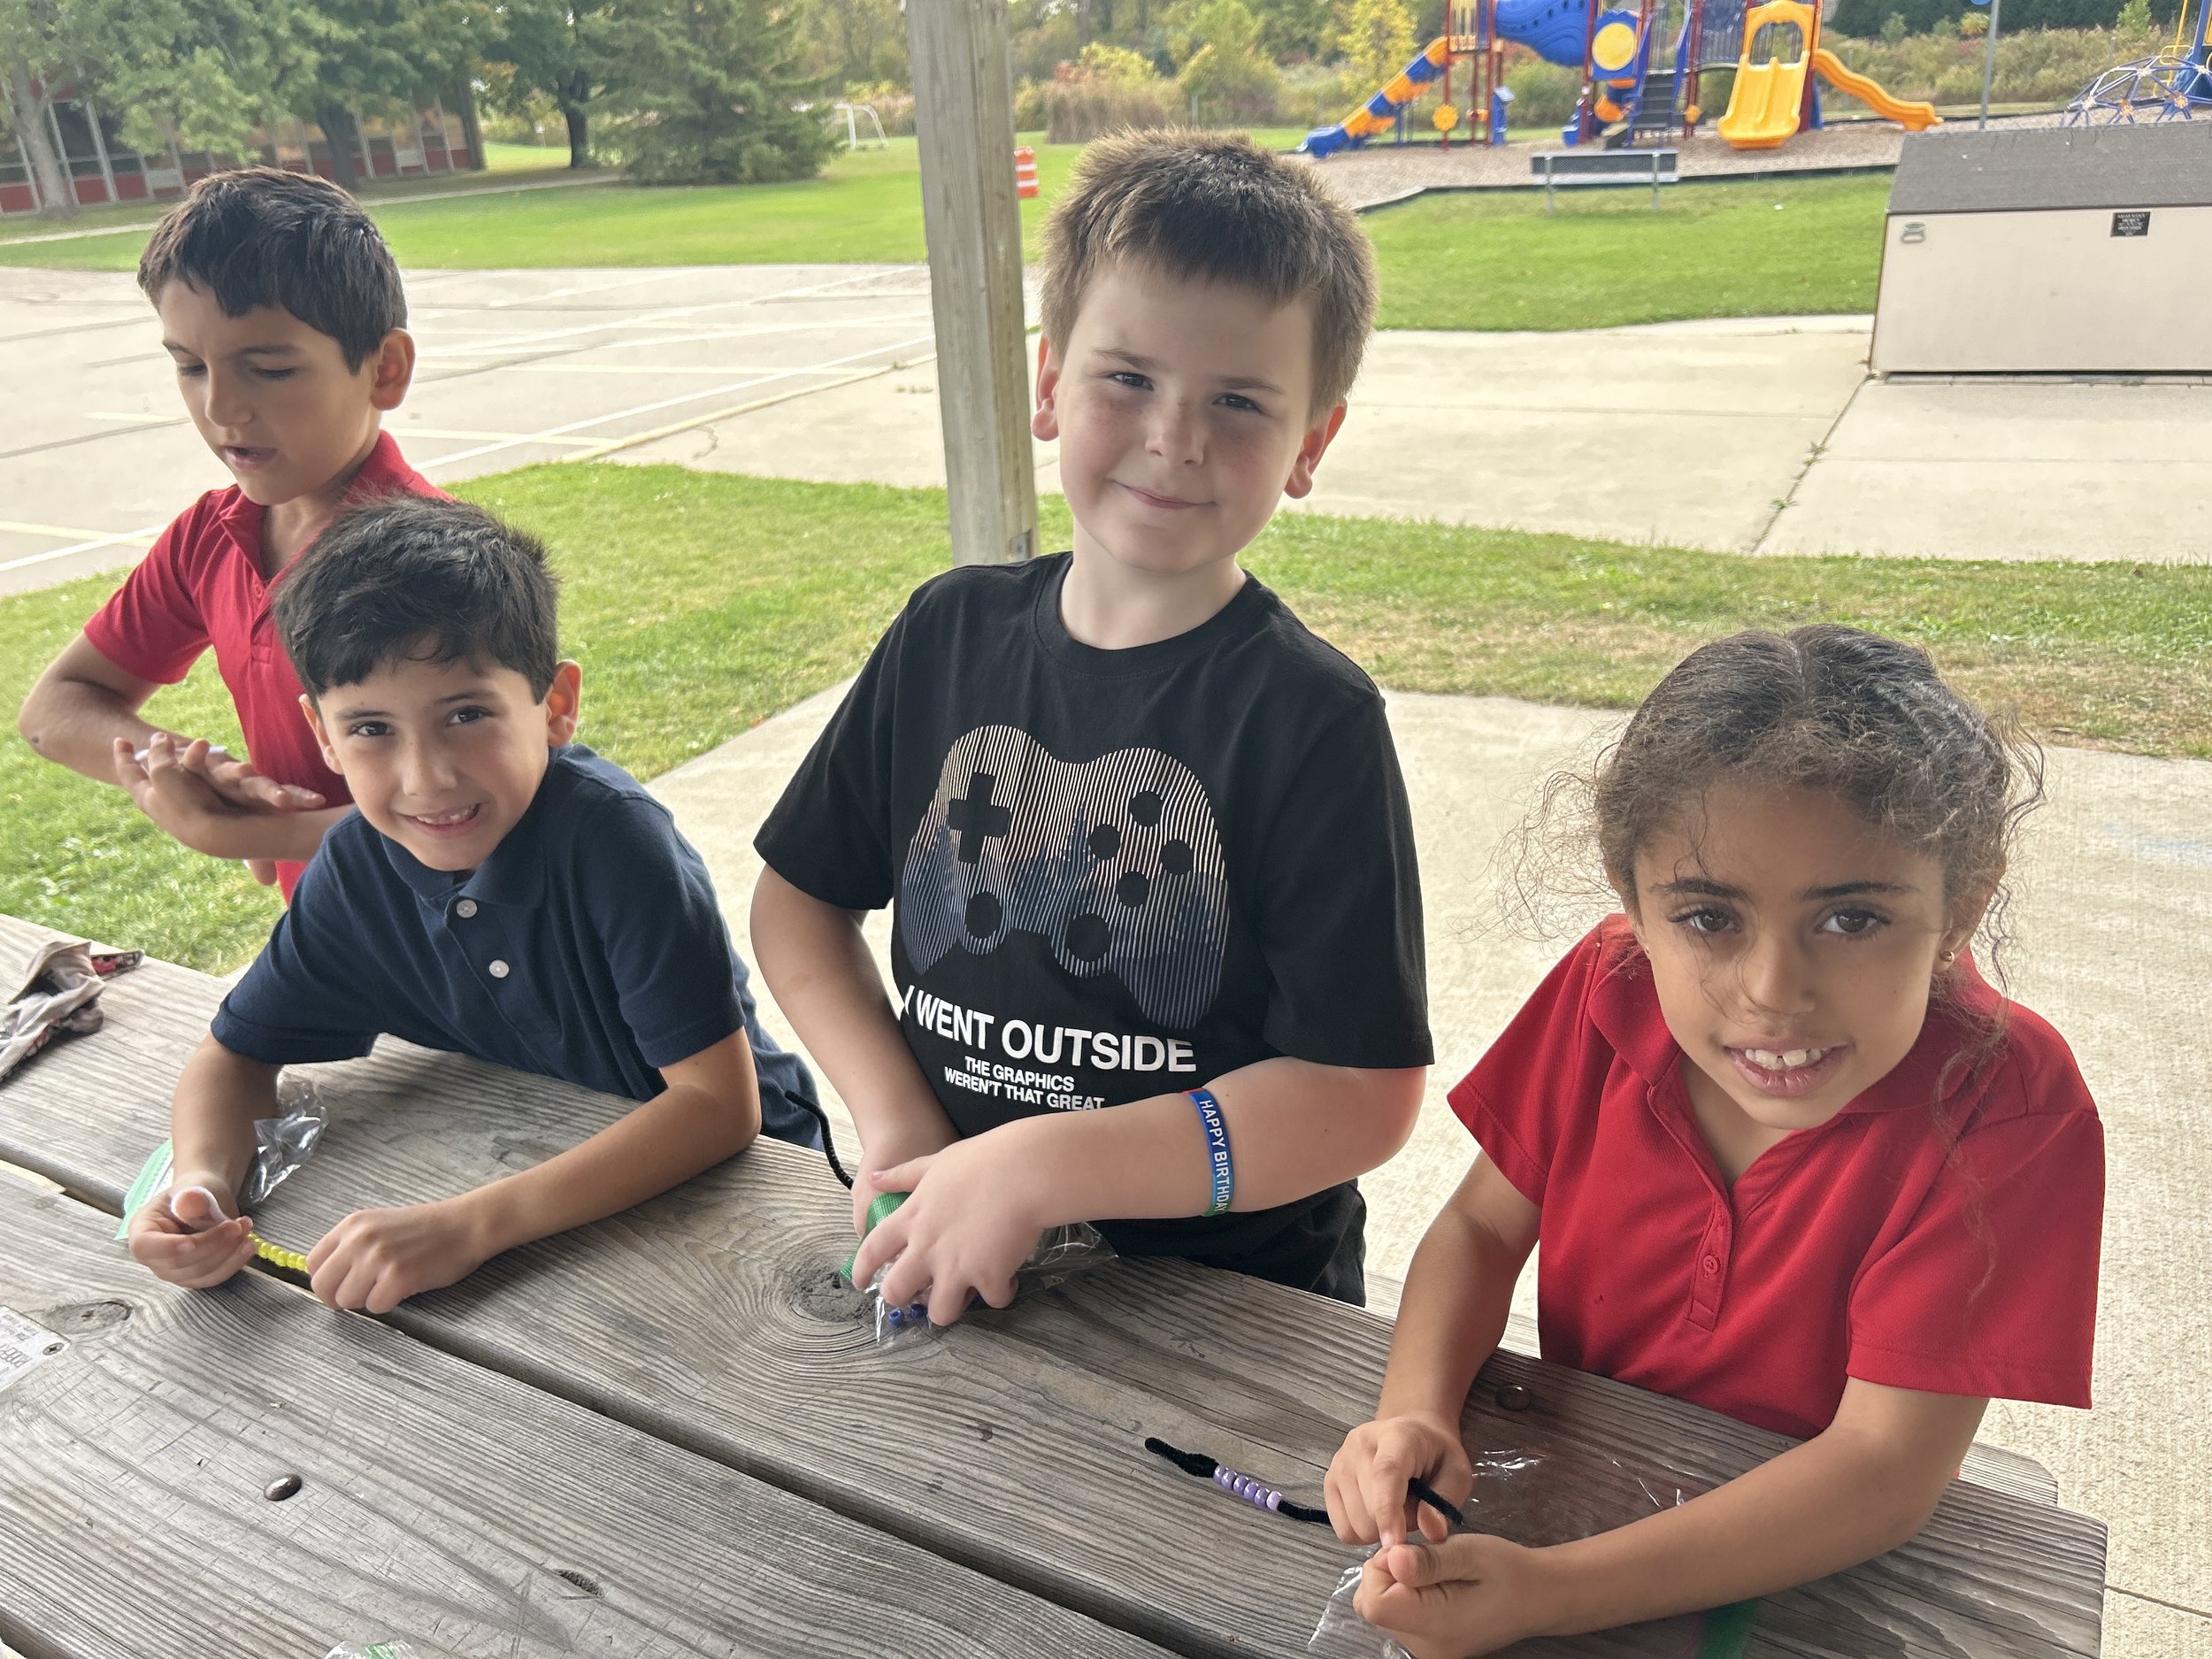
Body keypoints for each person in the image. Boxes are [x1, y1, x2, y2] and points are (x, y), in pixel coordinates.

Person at [751, 131, 1432, 1319]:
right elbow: (796, 906)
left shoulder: (1311, 720)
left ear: (1310, 444)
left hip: (1224, 1304)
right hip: (954, 1251)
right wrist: (902, 1122)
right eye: (1128, 379)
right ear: (1049, 384)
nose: (1176, 438)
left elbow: (1359, 1095)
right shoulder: (944, 635)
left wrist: (1044, 1164)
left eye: (1238, 401)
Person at [1325, 626, 2104, 1657]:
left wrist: (1547, 1595)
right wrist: (1414, 1413)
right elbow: (1479, 1227)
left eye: (1852, 920)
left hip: (1824, 1574)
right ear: (1633, 904)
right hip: (1578, 1485)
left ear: (1961, 904)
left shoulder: (2007, 1105)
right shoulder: (1603, 991)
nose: (1772, 992)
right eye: (1706, 917)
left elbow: (1882, 1470)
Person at [125, 496, 829, 1313]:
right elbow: (231, 1057)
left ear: (555, 705)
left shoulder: (615, 842)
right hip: (541, 1185)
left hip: (755, 1198)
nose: (426, 777)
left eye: (466, 714)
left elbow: (719, 1108)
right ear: (321, 733)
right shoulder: (356, 869)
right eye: (371, 728)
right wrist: (201, 1185)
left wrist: (470, 1227)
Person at [17, 167, 440, 900]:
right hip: (327, 936)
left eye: (269, 369)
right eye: (189, 366)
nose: (220, 408)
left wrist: (252, 831)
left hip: (457, 943)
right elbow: (54, 709)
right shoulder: (209, 537)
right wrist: (192, 768)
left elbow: (491, 808)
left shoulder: (432, 562)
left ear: (385, 369)